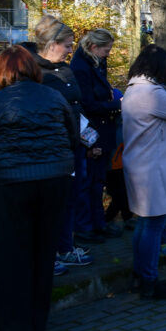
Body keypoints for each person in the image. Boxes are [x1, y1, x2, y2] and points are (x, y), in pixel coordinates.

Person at [0, 46, 77, 331]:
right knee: (43, 251)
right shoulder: (55, 97)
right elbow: (71, 136)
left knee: (12, 255)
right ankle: (37, 320)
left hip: (13, 184)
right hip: (54, 180)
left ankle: (16, 328)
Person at [121, 45, 166, 300]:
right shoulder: (154, 94)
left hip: (141, 165)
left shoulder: (133, 90)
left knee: (144, 224)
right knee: (152, 225)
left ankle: (140, 276)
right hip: (153, 168)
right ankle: (149, 281)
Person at [25, 15, 91, 269]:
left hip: (73, 147)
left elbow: (76, 104)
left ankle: (65, 247)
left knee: (70, 200)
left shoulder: (65, 69)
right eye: (66, 45)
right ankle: (48, 253)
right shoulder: (35, 72)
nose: (70, 49)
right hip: (50, 151)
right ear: (51, 43)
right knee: (50, 204)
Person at [69, 28, 121, 240]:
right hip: (92, 131)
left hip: (102, 128)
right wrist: (115, 105)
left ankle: (98, 222)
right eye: (106, 50)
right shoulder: (81, 68)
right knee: (88, 182)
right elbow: (88, 104)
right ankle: (85, 226)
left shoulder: (96, 63)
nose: (109, 54)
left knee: (98, 180)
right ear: (93, 47)